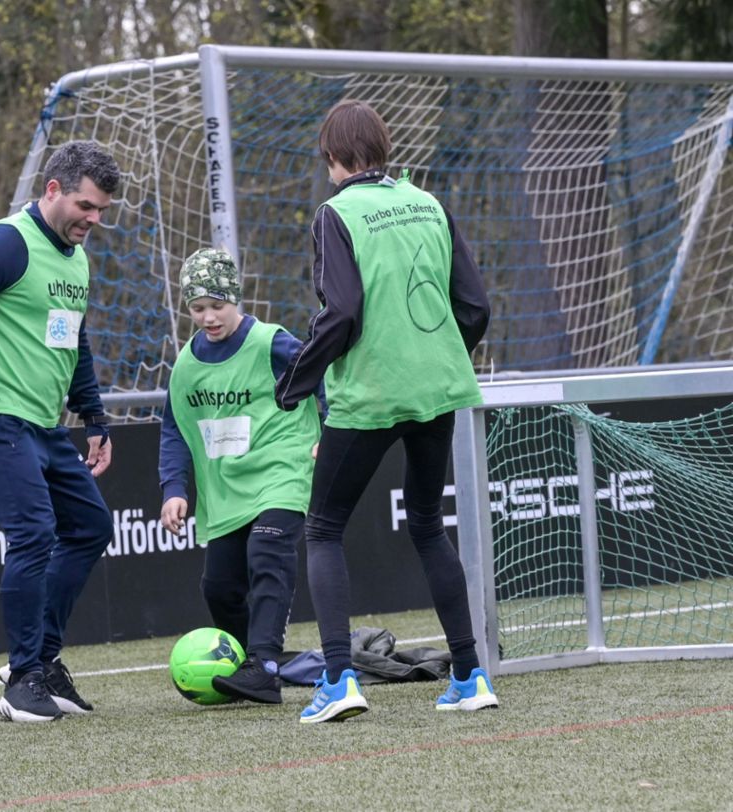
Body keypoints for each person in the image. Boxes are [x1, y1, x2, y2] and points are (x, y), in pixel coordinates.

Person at [274, 100, 498, 723]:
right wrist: (437, 358)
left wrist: (296, 380)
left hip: (370, 397)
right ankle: (470, 674)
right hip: (439, 391)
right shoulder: (429, 204)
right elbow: (475, 307)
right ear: (384, 148)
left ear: (334, 159)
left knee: (322, 529)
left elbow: (340, 313)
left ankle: (340, 679)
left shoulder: (334, 214)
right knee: (427, 524)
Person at [0, 140, 119, 723]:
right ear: (53, 189)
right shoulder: (6, 242)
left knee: (89, 525)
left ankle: (43, 661)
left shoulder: (77, 257)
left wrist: (94, 417)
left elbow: (73, 338)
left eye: (103, 210)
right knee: (35, 535)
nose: (94, 219)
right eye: (86, 205)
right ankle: (22, 679)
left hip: (45, 423)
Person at [158, 248, 320, 705]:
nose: (208, 317)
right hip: (227, 490)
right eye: (197, 308)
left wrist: (333, 425)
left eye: (217, 305)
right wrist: (173, 488)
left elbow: (325, 374)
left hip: (282, 469)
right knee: (218, 586)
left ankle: (264, 666)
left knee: (267, 549)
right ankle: (243, 665)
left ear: (236, 299)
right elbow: (174, 429)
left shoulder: (272, 343)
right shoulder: (186, 366)